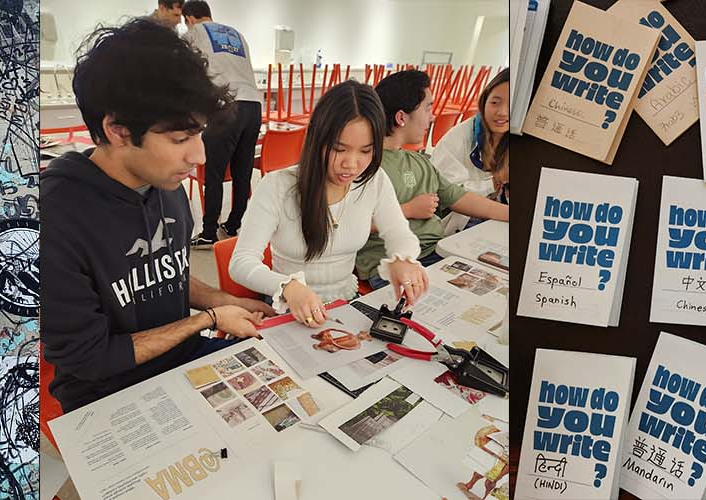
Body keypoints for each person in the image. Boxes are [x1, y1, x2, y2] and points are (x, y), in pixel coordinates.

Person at [40, 19, 268, 412]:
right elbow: (90, 359)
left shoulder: (164, 183)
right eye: (180, 139)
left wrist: (220, 298)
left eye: (199, 134)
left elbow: (164, 268)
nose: (198, 157)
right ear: (118, 130)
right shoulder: (56, 215)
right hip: (107, 396)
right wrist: (207, 318)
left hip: (178, 364)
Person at [231, 81, 429, 327]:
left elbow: (400, 233)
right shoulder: (278, 186)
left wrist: (404, 259)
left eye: (365, 151)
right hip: (289, 308)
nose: (352, 164)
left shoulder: (373, 181)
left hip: (345, 304)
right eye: (339, 149)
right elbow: (241, 263)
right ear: (317, 139)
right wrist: (287, 287)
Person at [357, 70, 509, 285]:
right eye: (428, 107)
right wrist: (407, 210)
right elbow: (347, 223)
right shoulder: (364, 164)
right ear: (401, 117)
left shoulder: (418, 162)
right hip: (391, 265)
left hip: (437, 253)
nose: (433, 116)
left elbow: (460, 197)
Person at [181, 1, 262, 244]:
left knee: (213, 174)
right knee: (242, 171)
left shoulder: (193, 33)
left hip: (226, 106)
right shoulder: (236, 34)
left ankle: (208, 234)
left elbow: (186, 71)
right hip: (253, 105)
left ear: (189, 18)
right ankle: (234, 224)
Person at [431, 69, 510, 200]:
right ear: (484, 102)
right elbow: (447, 192)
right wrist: (495, 181)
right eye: (495, 103)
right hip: (466, 216)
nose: (502, 112)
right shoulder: (457, 139)